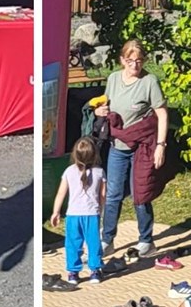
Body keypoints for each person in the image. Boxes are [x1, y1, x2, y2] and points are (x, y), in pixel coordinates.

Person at [99, 40, 170, 258]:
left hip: (143, 147)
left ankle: (146, 241)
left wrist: (160, 146)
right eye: (130, 61)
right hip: (118, 146)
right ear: (122, 60)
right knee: (112, 195)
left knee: (141, 193)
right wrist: (100, 111)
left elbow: (162, 114)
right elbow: (105, 104)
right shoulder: (112, 79)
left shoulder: (150, 81)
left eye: (139, 61)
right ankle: (107, 240)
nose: (134, 66)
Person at [50, 136, 108, 286]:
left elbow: (61, 193)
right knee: (94, 243)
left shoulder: (69, 171)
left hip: (73, 215)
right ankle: (95, 271)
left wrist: (55, 212)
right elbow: (103, 195)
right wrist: (100, 210)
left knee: (72, 244)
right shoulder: (100, 172)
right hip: (92, 214)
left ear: (74, 155)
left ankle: (73, 273)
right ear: (95, 155)